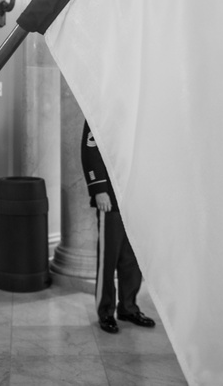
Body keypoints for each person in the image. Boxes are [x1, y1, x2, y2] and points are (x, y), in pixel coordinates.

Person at [81, 121, 156, 334]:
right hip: (111, 196)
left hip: (135, 195)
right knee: (109, 258)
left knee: (131, 258)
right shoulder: (100, 106)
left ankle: (128, 307)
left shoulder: (137, 106)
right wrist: (99, 189)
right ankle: (106, 311)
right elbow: (90, 151)